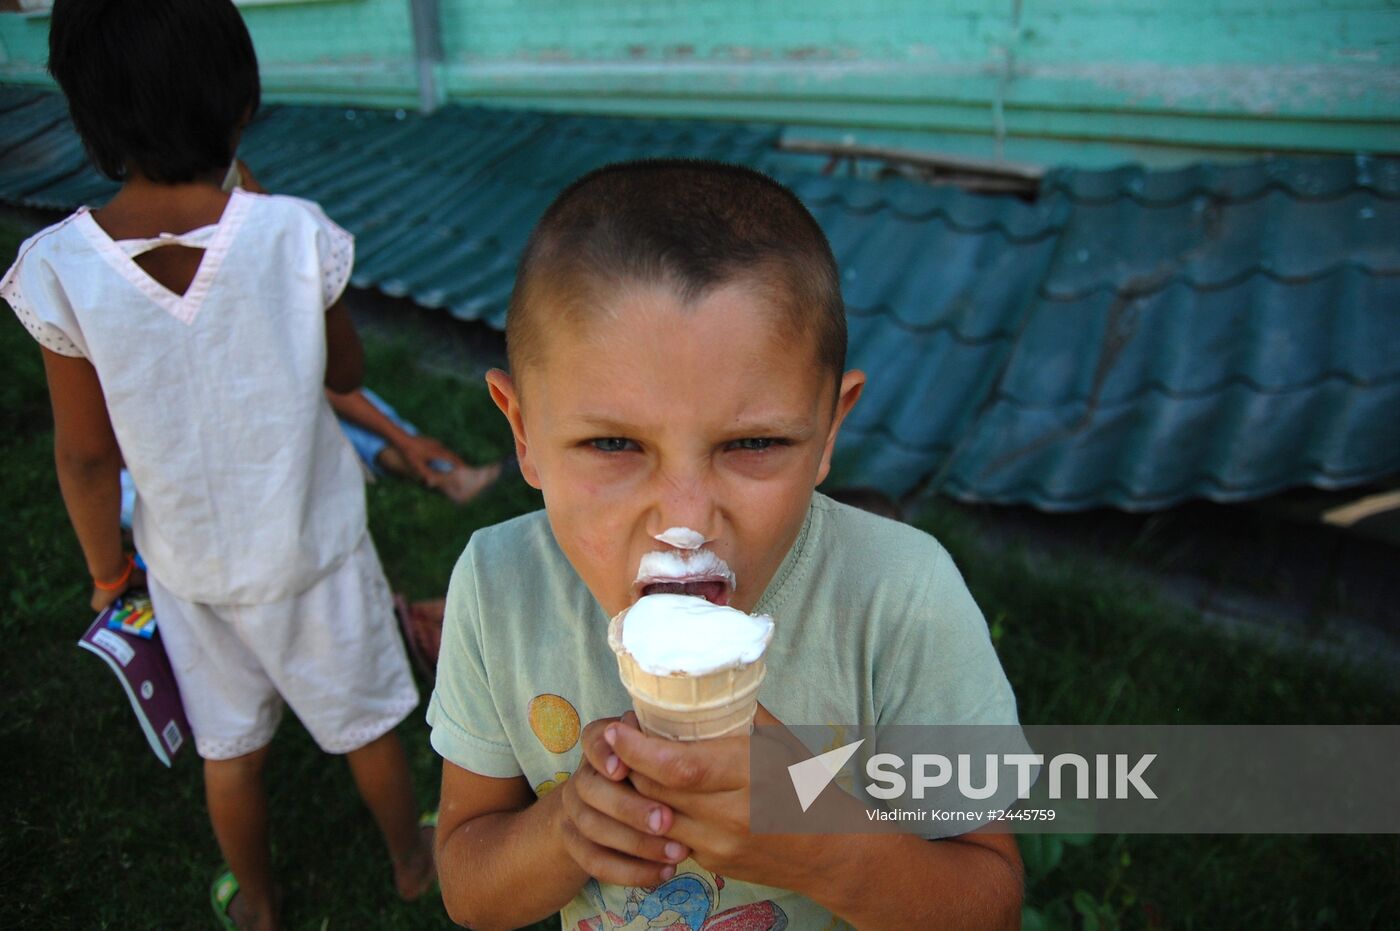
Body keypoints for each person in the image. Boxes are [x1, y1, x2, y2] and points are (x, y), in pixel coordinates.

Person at [426, 160, 1024, 929]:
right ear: (523, 432)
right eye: (613, 442)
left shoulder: (901, 597)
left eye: (753, 442)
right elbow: (469, 883)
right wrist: (564, 830)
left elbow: (989, 902)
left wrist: (825, 843)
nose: (685, 521)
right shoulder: (499, 587)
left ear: (830, 429)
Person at [1, 3, 433, 929]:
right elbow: (348, 372)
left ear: (85, 116)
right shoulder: (291, 231)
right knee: (367, 726)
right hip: (315, 554)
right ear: (242, 105)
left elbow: (83, 455)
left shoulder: (59, 267)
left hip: (186, 573)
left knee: (228, 753)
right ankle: (408, 862)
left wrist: (107, 572)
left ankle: (263, 903)